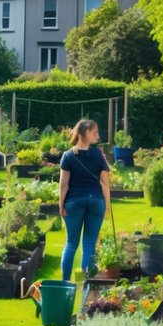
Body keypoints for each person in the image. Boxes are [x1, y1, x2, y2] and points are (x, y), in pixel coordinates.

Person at [58, 119, 111, 281]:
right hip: (96, 202)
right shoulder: (98, 155)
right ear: (82, 134)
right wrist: (107, 205)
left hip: (74, 202)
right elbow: (105, 182)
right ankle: (87, 281)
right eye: (93, 131)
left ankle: (65, 282)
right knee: (89, 242)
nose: (96, 134)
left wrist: (61, 206)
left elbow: (63, 185)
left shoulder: (68, 156)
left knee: (71, 243)